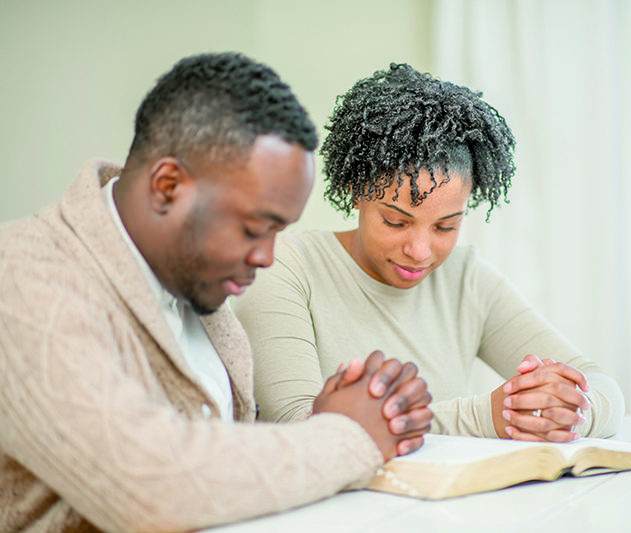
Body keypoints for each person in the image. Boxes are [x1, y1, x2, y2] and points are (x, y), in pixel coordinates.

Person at [0, 53, 434, 533]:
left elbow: (221, 463)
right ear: (167, 186)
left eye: (278, 231)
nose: (266, 256)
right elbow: (153, 486)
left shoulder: (192, 283)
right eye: (252, 228)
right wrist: (345, 436)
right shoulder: (20, 280)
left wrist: (331, 419)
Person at [234, 63, 625, 443]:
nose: (419, 252)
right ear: (356, 190)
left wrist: (568, 410)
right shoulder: (286, 266)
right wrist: (484, 417)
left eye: (445, 227)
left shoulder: (466, 280)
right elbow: (299, 426)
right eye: (395, 221)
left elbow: (602, 387)